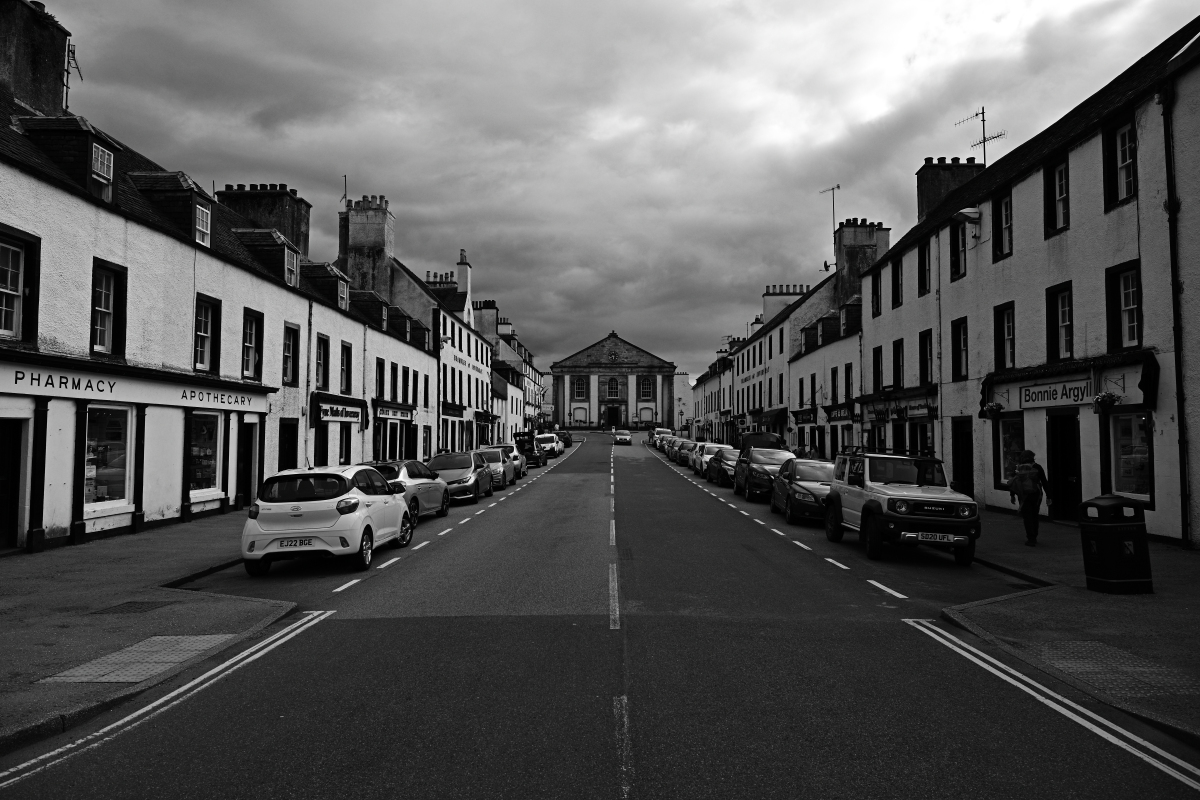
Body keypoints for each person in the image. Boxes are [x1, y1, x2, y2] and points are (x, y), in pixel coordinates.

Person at [1008, 450, 1050, 546]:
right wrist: (1049, 496)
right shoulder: (1037, 467)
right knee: (1035, 515)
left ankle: (1031, 538)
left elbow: (1014, 482)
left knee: (1027, 517)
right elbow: (1044, 481)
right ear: (1032, 457)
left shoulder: (1019, 468)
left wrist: (1012, 495)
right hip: (1036, 495)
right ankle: (1034, 535)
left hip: (1023, 496)